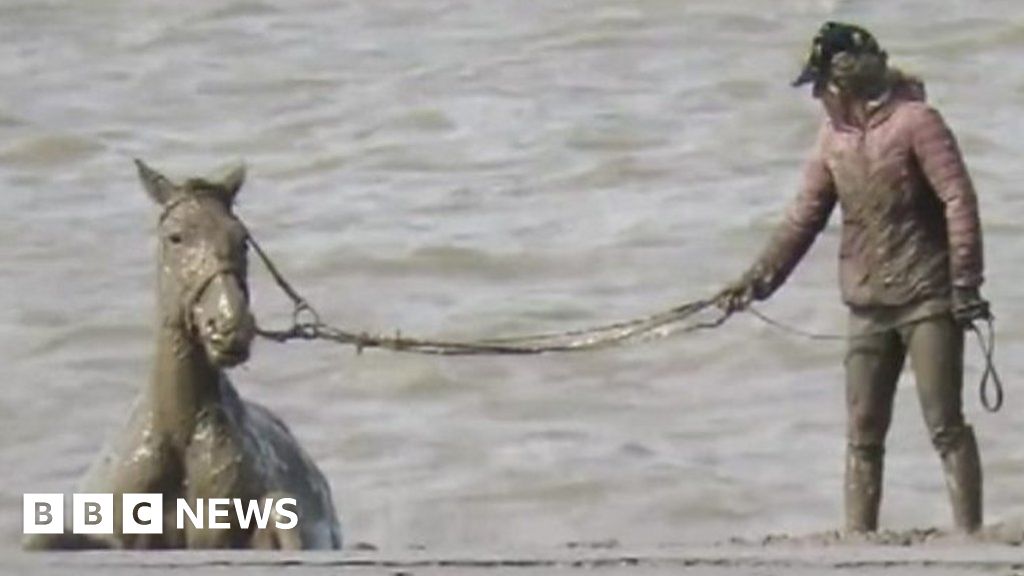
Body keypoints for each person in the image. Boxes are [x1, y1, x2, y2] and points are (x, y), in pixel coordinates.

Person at [717, 22, 991, 533]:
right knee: (863, 430)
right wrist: (756, 280)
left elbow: (958, 199)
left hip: (928, 295)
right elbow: (803, 217)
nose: (819, 97)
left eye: (823, 85)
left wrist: (965, 284)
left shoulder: (918, 122)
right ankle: (858, 539)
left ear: (849, 82)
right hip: (866, 301)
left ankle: (969, 534)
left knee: (944, 424)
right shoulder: (831, 141)